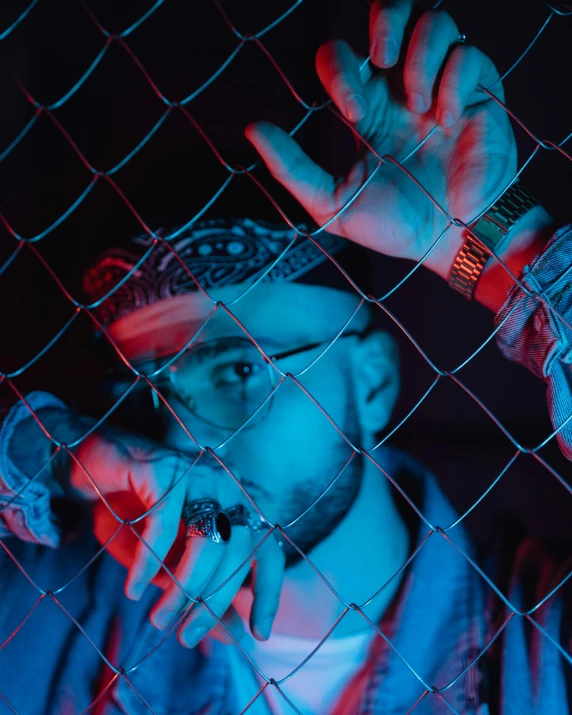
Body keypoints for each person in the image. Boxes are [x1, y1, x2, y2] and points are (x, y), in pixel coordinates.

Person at [1, 2, 571, 713]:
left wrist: (501, 247)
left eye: (238, 371)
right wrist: (53, 458)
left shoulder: (542, 647)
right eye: (140, 391)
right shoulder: (48, 614)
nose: (181, 436)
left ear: (373, 381)